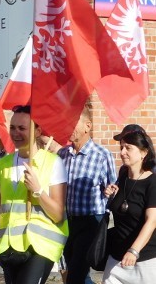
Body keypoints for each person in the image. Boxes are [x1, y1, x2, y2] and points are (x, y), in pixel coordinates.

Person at [0, 105, 68, 284]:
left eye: (22, 128)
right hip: (10, 245)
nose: (15, 133)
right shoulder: (3, 164)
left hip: (40, 246)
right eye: (12, 128)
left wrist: (38, 190)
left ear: (37, 131)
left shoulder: (53, 163)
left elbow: (58, 214)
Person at [57, 107, 117, 284]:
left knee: (76, 273)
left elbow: (114, 187)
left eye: (72, 123)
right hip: (67, 221)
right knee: (75, 271)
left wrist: (110, 191)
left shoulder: (102, 155)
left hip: (91, 221)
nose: (67, 127)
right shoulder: (62, 154)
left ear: (87, 126)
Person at [102, 127, 156, 283]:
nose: (122, 152)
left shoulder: (152, 183)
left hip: (144, 260)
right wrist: (112, 194)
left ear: (143, 153)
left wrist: (134, 251)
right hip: (116, 258)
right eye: (121, 147)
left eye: (128, 148)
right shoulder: (123, 175)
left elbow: (151, 221)